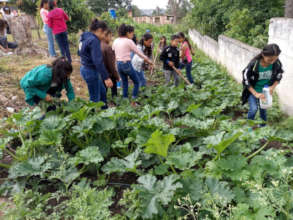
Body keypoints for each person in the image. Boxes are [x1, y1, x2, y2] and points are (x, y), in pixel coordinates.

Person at [242, 44, 283, 127]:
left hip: (265, 92)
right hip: (253, 90)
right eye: (270, 59)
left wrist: (272, 87)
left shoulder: (276, 63)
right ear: (263, 55)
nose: (272, 62)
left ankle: (262, 128)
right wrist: (255, 94)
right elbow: (245, 79)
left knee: (263, 110)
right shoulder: (254, 64)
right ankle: (248, 128)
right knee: (253, 109)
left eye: (274, 59)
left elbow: (279, 75)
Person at [112, 24, 153, 104]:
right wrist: (149, 61)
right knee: (137, 82)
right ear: (127, 33)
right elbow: (139, 53)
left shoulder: (116, 40)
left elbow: (113, 53)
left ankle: (125, 99)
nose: (133, 35)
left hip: (118, 64)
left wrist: (114, 66)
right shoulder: (129, 41)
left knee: (124, 81)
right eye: (132, 33)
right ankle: (134, 100)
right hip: (126, 64)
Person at [78, 18, 113, 106]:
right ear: (99, 30)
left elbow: (79, 52)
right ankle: (93, 117)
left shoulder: (85, 36)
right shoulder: (94, 40)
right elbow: (98, 61)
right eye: (104, 34)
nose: (104, 37)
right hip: (90, 71)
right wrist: (106, 77)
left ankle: (104, 111)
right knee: (95, 98)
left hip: (84, 68)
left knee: (102, 91)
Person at [101, 29, 120, 100]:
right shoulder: (107, 47)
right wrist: (116, 75)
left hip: (101, 72)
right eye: (110, 36)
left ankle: (102, 102)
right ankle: (115, 101)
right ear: (105, 36)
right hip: (108, 73)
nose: (111, 38)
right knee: (113, 88)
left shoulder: (98, 45)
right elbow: (111, 65)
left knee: (103, 89)